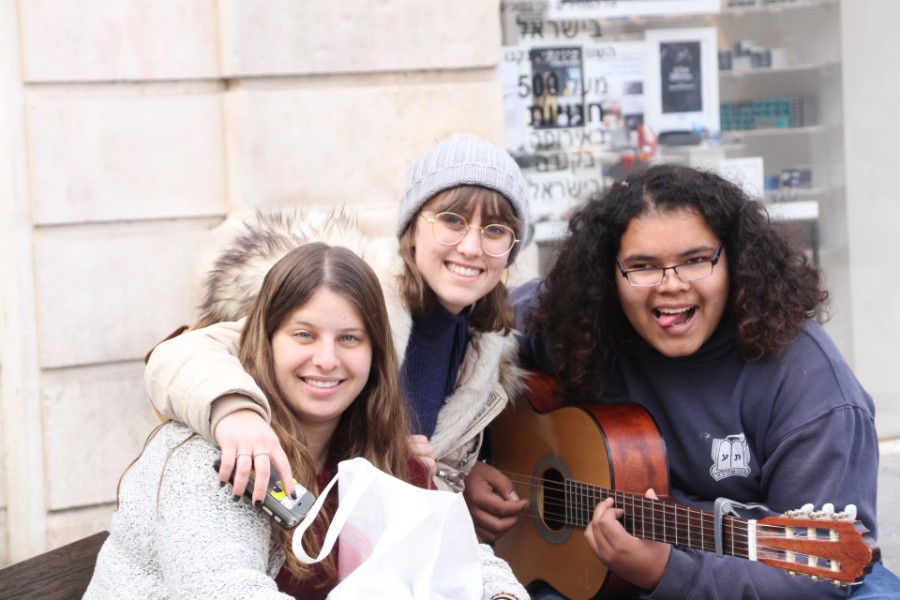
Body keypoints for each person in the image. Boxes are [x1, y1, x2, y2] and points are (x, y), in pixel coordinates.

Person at [492, 162, 897, 598]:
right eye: (642, 266)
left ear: (735, 262)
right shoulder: (576, 323)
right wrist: (471, 470)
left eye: (696, 260)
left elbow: (815, 580)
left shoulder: (808, 385)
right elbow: (466, 329)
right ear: (607, 276)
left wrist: (665, 571)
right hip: (585, 574)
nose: (671, 285)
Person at [86, 242, 528, 599]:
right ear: (267, 340)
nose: (326, 360)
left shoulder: (383, 451)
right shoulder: (212, 455)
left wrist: (500, 595)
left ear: (375, 355)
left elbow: (460, 557)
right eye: (304, 335)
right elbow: (222, 588)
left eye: (350, 339)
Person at [144, 134, 530, 530]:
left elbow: (428, 478)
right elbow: (180, 355)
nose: (470, 246)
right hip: (271, 527)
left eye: (495, 229)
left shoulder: (485, 348)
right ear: (412, 229)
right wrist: (236, 412)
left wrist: (452, 487)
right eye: (452, 220)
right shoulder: (351, 298)